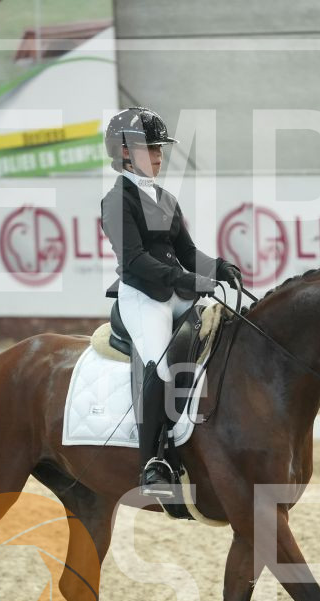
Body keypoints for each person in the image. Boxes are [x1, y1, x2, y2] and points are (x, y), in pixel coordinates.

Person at [100, 107, 242, 497]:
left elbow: (187, 252)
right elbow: (134, 261)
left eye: (160, 148)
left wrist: (219, 267)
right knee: (159, 365)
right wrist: (184, 279)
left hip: (176, 293)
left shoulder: (165, 198)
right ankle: (152, 463)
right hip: (143, 296)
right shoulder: (116, 201)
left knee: (222, 340)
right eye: (150, 148)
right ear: (125, 152)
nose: (159, 156)